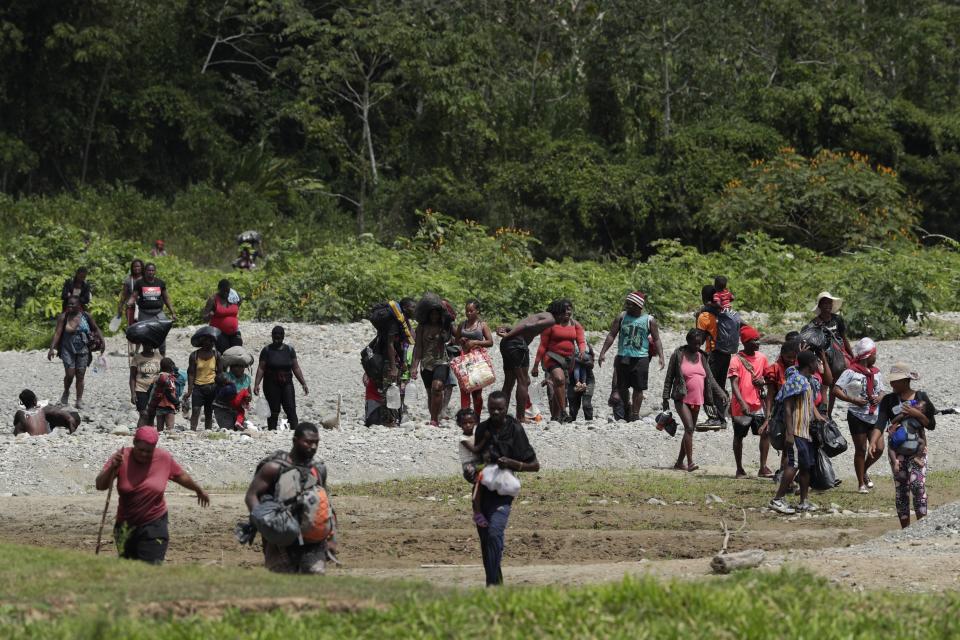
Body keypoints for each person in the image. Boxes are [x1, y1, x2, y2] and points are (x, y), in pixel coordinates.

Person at [96, 426, 209, 564]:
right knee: (128, 570)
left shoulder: (163, 458)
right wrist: (112, 468)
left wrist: (198, 490)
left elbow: (180, 476)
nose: (144, 454)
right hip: (124, 525)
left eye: (148, 451)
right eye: (141, 450)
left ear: (154, 448)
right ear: (134, 443)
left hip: (154, 524)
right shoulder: (121, 457)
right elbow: (100, 485)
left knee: (149, 570)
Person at [472, 391, 540, 586]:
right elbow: (477, 462)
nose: (495, 413)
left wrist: (511, 463)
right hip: (481, 493)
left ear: (506, 408)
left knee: (495, 533)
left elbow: (535, 466)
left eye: (499, 409)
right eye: (491, 409)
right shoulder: (482, 429)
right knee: (486, 541)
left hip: (502, 493)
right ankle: (495, 583)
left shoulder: (515, 429)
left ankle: (492, 585)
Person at [245, 422, 329, 573]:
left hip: (312, 540)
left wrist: (331, 537)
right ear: (295, 440)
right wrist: (264, 524)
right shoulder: (274, 468)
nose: (313, 447)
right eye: (308, 442)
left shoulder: (318, 470)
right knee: (281, 584)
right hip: (280, 541)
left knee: (315, 582)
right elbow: (252, 495)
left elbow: (325, 503)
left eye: (316, 442)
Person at [875, 363, 936, 528]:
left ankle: (922, 526)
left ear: (905, 381)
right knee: (901, 490)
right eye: (892, 381)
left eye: (895, 381)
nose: (892, 384)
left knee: (917, 485)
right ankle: (906, 529)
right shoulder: (888, 400)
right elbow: (880, 423)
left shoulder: (921, 397)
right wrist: (874, 440)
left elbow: (931, 425)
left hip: (918, 450)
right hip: (897, 451)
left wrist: (916, 414)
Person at [662, 329, 725, 472]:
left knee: (689, 432)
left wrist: (720, 393)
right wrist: (665, 398)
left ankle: (679, 462)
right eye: (695, 343)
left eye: (700, 344)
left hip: (698, 399)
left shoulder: (702, 356)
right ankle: (690, 463)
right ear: (688, 341)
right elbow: (669, 378)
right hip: (681, 398)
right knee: (689, 428)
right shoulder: (678, 355)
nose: (698, 346)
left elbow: (710, 378)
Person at [768, 351, 823, 515]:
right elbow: (787, 407)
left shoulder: (806, 381)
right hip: (796, 431)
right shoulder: (796, 380)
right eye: (816, 362)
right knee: (794, 464)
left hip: (805, 433)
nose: (818, 366)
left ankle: (803, 501)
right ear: (809, 364)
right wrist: (790, 433)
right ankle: (777, 499)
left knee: (805, 467)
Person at [597, 292, 665, 422]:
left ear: (638, 306)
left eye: (630, 304)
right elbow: (612, 335)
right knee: (622, 387)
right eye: (627, 303)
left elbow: (656, 339)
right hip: (623, 356)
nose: (627, 306)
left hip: (641, 358)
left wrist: (661, 356)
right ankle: (627, 409)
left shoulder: (649, 320)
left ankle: (634, 414)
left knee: (638, 387)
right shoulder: (622, 317)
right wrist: (602, 352)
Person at [834, 337, 886, 494]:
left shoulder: (876, 373)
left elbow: (882, 391)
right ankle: (860, 483)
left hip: (875, 415)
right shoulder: (850, 372)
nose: (875, 357)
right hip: (857, 415)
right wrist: (853, 400)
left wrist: (879, 398)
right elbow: (836, 389)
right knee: (861, 449)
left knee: (879, 448)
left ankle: (864, 471)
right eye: (874, 354)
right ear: (868, 355)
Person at [497, 305, 563, 422]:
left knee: (509, 382)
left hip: (507, 345)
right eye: (566, 312)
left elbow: (526, 326)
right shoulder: (551, 319)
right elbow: (527, 326)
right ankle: (521, 417)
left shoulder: (543, 315)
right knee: (524, 381)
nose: (567, 316)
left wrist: (509, 331)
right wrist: (509, 334)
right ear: (559, 312)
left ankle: (500, 416)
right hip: (517, 344)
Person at [728, 326, 773, 478]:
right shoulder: (736, 360)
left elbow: (768, 378)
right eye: (754, 340)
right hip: (741, 405)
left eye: (758, 339)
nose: (758, 342)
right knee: (739, 436)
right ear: (746, 342)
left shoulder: (762, 358)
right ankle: (739, 468)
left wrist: (763, 381)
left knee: (765, 433)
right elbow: (733, 383)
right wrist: (741, 402)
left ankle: (763, 466)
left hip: (759, 403)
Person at [532, 299, 586, 422]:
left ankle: (555, 417)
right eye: (564, 309)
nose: (568, 311)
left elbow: (581, 340)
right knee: (559, 379)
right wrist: (535, 365)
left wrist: (582, 351)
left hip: (568, 359)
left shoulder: (575, 324)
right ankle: (563, 412)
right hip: (552, 357)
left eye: (569, 309)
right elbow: (542, 346)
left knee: (560, 387)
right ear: (558, 310)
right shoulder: (551, 325)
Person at [48, 295, 104, 409]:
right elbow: (58, 333)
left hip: (83, 348)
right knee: (69, 374)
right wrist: (52, 348)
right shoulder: (63, 317)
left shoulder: (86, 316)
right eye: (69, 304)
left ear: (79, 305)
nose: (70, 306)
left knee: (80, 374)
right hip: (67, 348)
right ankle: (66, 391)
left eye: (73, 304)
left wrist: (102, 341)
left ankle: (79, 400)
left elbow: (96, 328)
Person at [254, 326, 308, 431]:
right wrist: (257, 384)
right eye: (275, 335)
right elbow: (261, 368)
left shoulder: (289, 350)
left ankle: (295, 431)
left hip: (287, 382)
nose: (277, 337)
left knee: (291, 407)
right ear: (272, 336)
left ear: (283, 336)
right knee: (274, 409)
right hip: (270, 383)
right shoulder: (266, 350)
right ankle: (272, 431)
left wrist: (303, 383)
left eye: (279, 335)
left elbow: (296, 367)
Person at [810, 291, 853, 416]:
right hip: (822, 356)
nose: (828, 305)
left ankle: (828, 414)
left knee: (834, 386)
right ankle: (822, 412)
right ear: (820, 305)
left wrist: (852, 355)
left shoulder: (837, 319)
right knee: (824, 386)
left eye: (829, 302)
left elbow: (844, 338)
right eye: (824, 303)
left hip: (838, 354)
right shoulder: (814, 323)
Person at [411, 301, 454, 427]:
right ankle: (434, 416)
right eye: (432, 314)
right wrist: (414, 366)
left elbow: (453, 336)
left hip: (442, 362)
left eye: (437, 314)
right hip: (426, 363)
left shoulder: (444, 326)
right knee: (430, 392)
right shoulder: (421, 328)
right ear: (428, 315)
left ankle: (435, 420)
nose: (434, 317)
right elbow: (418, 347)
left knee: (437, 387)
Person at [453, 299, 494, 419]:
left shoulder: (482, 325)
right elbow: (456, 340)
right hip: (464, 360)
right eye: (467, 311)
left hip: (477, 360)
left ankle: (477, 416)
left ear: (477, 311)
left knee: (476, 390)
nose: (468, 313)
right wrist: (461, 340)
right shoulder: (462, 324)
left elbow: (490, 342)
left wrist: (476, 342)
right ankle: (465, 417)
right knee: (465, 389)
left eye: (471, 311)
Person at [126, 263, 177, 355]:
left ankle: (162, 356)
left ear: (155, 271)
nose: (150, 272)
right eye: (149, 270)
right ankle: (145, 356)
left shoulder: (160, 283)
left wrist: (172, 312)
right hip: (144, 313)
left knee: (162, 334)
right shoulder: (140, 283)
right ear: (145, 271)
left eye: (152, 270)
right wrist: (129, 303)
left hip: (158, 312)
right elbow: (134, 296)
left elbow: (166, 298)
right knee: (144, 335)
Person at [456, 408, 490, 527]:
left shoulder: (476, 435)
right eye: (465, 423)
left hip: (478, 463)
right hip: (470, 466)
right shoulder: (463, 439)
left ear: (475, 422)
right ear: (460, 424)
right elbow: (475, 449)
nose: (468, 425)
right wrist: (485, 438)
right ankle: (477, 511)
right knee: (479, 476)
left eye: (470, 422)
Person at [184, 335, 220, 431]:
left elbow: (220, 373)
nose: (212, 343)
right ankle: (192, 430)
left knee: (208, 411)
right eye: (209, 341)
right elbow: (191, 373)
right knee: (195, 410)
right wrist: (189, 390)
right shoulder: (194, 355)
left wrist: (220, 388)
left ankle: (208, 431)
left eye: (213, 341)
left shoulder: (216, 354)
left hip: (212, 387)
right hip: (198, 387)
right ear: (203, 342)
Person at [14, 389, 80, 435]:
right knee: (49, 418)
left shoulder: (20, 413)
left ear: (22, 403)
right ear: (35, 401)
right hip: (45, 435)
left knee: (19, 425)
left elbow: (15, 423)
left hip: (30, 436)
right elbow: (60, 413)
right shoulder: (43, 409)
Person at [203, 279, 242, 352]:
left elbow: (239, 303)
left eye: (227, 291)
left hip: (234, 331)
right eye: (223, 291)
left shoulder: (235, 297)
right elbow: (204, 318)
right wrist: (210, 315)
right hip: (218, 332)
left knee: (238, 352)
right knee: (225, 352)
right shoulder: (213, 299)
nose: (226, 293)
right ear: (219, 289)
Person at [118, 259, 144, 366]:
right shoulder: (128, 280)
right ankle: (132, 349)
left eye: (138, 266)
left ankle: (137, 350)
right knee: (131, 327)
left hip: (142, 307)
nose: (137, 268)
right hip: (130, 307)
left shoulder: (145, 279)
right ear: (132, 268)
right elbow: (123, 295)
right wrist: (119, 308)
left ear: (142, 267)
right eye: (135, 267)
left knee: (140, 328)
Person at [130, 344, 162, 426]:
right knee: (143, 414)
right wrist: (133, 393)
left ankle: (149, 435)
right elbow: (132, 377)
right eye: (146, 343)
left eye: (150, 343)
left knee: (151, 414)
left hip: (155, 390)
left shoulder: (159, 357)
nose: (148, 346)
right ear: (143, 344)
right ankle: (140, 433)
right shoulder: (137, 358)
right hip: (140, 389)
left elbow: (163, 373)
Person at [146, 358, 181, 431]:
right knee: (170, 430)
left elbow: (150, 390)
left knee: (159, 431)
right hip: (169, 405)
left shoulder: (157, 377)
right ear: (171, 366)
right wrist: (176, 403)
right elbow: (168, 392)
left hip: (159, 405)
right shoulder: (168, 378)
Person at [215, 363, 252, 430]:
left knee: (243, 428)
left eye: (242, 366)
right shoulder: (225, 377)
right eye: (236, 366)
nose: (240, 369)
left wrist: (247, 398)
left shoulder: (246, 379)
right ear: (231, 367)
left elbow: (250, 395)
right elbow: (220, 395)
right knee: (228, 430)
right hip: (224, 409)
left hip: (237, 407)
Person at [567, 344, 596, 421]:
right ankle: (571, 422)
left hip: (588, 381)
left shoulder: (586, 353)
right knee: (573, 406)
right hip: (572, 382)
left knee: (586, 404)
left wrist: (576, 359)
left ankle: (589, 421)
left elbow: (591, 364)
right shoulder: (568, 351)